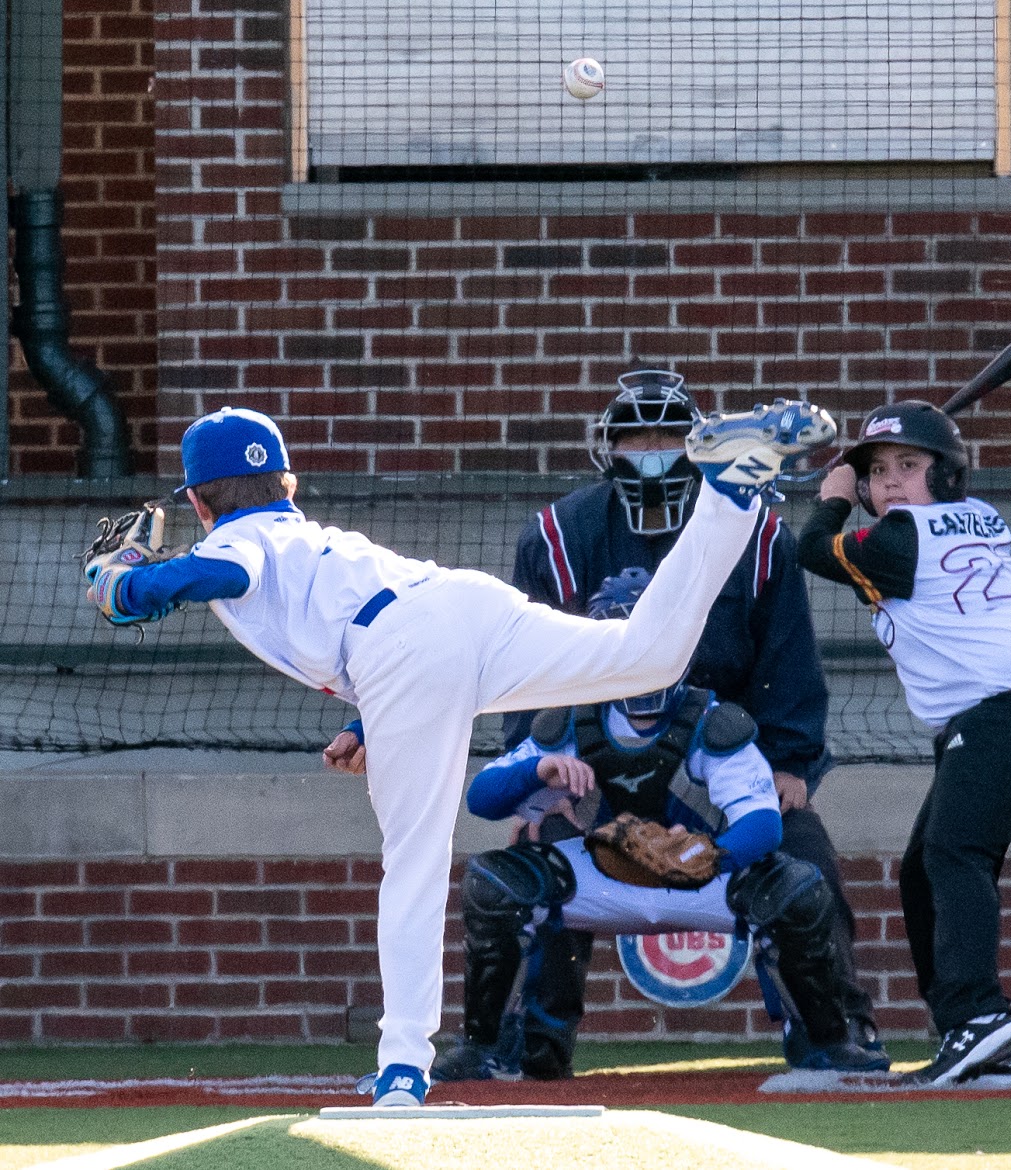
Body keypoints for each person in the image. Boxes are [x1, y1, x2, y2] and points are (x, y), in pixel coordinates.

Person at [82, 400, 835, 1107]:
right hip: (462, 608)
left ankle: (402, 1065)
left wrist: (126, 586)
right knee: (651, 657)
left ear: (199, 501)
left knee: (412, 855)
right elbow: (382, 627)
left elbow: (222, 573)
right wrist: (374, 724)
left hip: (405, 650)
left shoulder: (235, 536)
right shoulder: (301, 533)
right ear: (288, 483)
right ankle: (732, 493)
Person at [454, 367, 885, 1079]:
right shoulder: (559, 537)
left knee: (804, 871)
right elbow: (520, 667)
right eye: (635, 438)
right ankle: (524, 1045)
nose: (651, 451)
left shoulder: (755, 533)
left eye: (666, 436)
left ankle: (835, 1031)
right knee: (508, 879)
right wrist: (537, 778)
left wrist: (787, 768)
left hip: (709, 759)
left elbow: (787, 659)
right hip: (588, 760)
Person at [433, 568, 884, 1084]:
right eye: (630, 644)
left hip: (702, 873)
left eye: (655, 644)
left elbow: (762, 824)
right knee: (495, 883)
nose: (644, 661)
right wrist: (538, 772)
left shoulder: (714, 722)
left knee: (798, 889)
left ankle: (823, 1043)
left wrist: (706, 855)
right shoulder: (570, 721)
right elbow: (480, 800)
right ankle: (494, 1048)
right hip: (603, 875)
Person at [795, 399, 1011, 1087]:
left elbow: (812, 550)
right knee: (924, 869)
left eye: (910, 466)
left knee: (955, 853)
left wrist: (834, 497)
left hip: (1005, 714)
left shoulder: (899, 541)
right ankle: (974, 1038)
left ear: (947, 475)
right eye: (879, 470)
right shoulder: (976, 516)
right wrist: (864, 477)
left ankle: (980, 1015)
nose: (892, 482)